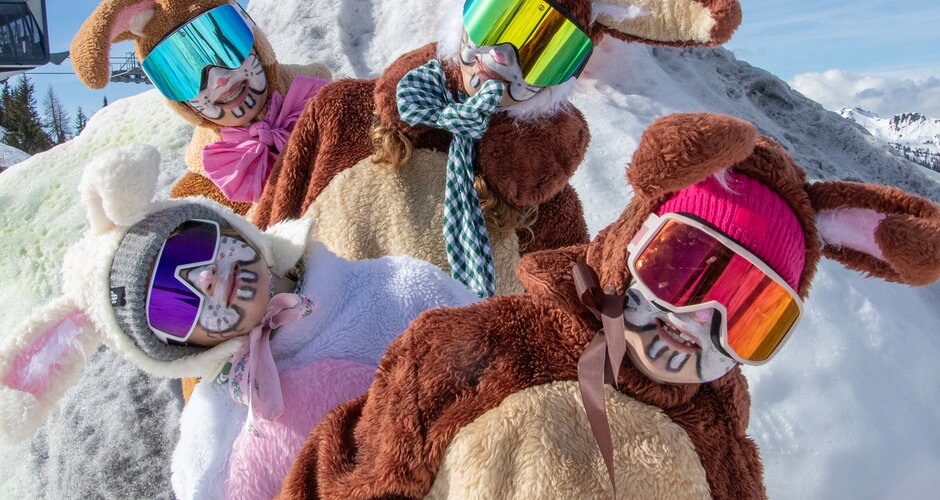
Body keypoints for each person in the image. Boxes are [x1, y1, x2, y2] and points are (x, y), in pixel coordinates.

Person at [278, 114, 940, 499]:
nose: (694, 322)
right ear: (631, 240)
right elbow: (347, 483)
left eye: (750, 313)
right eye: (683, 266)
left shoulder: (718, 445)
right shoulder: (472, 351)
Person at [0, 144, 478, 499]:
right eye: (172, 304)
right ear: (180, 349)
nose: (204, 279)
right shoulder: (212, 443)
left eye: (189, 249)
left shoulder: (401, 288)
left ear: (230, 226)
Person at [252, 0, 743, 297]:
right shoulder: (341, 114)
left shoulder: (549, 211)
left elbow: (550, 344)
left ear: (567, 77)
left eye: (543, 51)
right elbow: (254, 249)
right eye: (494, 17)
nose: (501, 61)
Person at [71, 0, 332, 213]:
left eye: (224, 46)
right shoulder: (209, 188)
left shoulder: (329, 100)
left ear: (253, 38)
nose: (218, 79)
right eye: (184, 75)